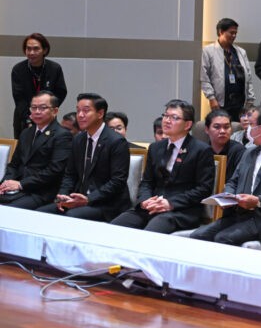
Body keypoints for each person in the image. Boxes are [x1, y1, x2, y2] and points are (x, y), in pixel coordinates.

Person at [190, 105, 261, 248]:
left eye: (251, 125)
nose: (248, 129)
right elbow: (233, 181)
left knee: (223, 238)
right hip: (239, 215)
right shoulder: (248, 152)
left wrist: (258, 201)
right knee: (198, 236)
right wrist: (229, 196)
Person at [111, 100, 215, 233]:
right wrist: (145, 200)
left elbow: (204, 188)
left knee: (152, 231)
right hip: (151, 206)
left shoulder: (201, 150)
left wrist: (170, 203)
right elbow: (146, 182)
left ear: (188, 124)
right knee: (115, 227)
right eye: (166, 116)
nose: (167, 121)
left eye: (174, 117)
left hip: (180, 211)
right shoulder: (155, 147)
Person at [37, 93, 130, 221]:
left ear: (100, 113)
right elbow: (70, 174)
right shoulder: (78, 139)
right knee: (41, 213)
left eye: (86, 111)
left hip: (107, 203)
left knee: (71, 216)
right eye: (78, 111)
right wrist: (63, 195)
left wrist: (88, 199)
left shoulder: (116, 141)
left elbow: (117, 181)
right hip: (79, 199)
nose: (80, 115)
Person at [0, 91, 72, 209]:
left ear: (55, 111)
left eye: (43, 108)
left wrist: (21, 184)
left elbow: (54, 171)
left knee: (8, 210)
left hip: (41, 191)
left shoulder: (62, 135)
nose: (37, 111)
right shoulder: (26, 133)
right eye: (34, 108)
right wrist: (6, 183)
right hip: (17, 187)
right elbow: (14, 164)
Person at [10, 33, 67, 137]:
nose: (31, 52)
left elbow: (61, 92)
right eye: (28, 49)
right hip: (24, 119)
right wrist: (30, 117)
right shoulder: (18, 69)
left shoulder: (54, 68)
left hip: (48, 117)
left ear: (44, 50)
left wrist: (47, 110)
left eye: (36, 49)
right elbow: (19, 98)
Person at [200, 17, 255, 121]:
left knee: (239, 127)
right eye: (231, 33)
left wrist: (250, 99)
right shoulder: (208, 51)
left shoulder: (241, 52)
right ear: (221, 32)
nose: (234, 36)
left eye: (235, 33)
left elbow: (248, 77)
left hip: (240, 102)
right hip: (221, 102)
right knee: (222, 125)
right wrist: (211, 98)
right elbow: (204, 78)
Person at [203, 109, 245, 178]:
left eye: (226, 127)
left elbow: (239, 179)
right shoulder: (202, 151)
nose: (222, 131)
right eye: (217, 127)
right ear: (207, 129)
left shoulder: (239, 151)